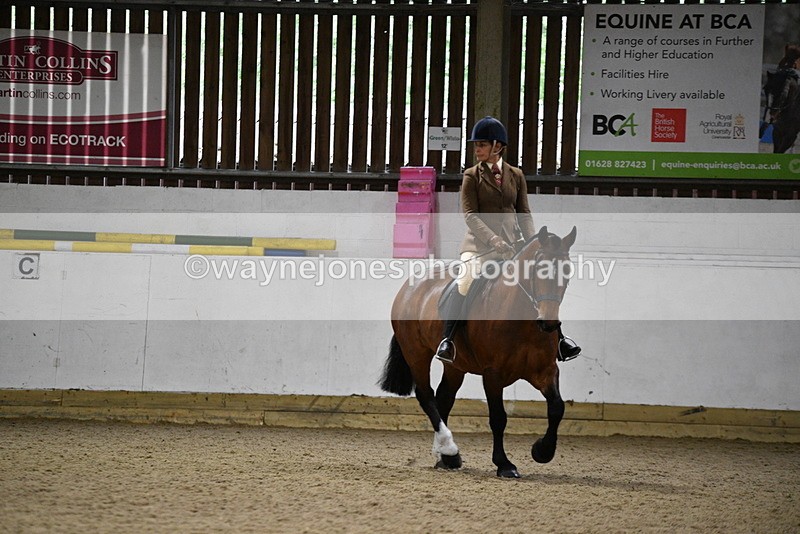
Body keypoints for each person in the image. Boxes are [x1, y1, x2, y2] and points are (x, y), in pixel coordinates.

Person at [435, 116, 581, 363]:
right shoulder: (471, 176)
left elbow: (523, 212)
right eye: (476, 145)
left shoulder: (516, 175)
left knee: (539, 279)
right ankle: (448, 340)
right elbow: (470, 216)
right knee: (466, 280)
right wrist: (493, 240)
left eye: (481, 144)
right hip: (479, 247)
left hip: (512, 246)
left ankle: (559, 341)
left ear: (497, 147)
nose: (477, 149)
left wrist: (533, 241)